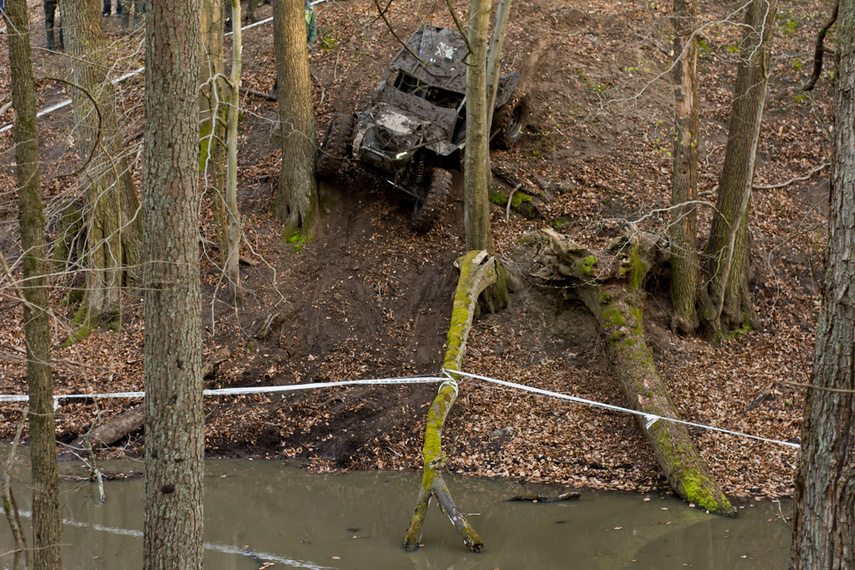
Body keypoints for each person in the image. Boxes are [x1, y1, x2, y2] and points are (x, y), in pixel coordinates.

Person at [269, 0, 317, 99]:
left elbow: (313, 27)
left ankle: (298, 91)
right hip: (290, 42)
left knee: (300, 68)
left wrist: (310, 43)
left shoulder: (309, 9)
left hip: (304, 43)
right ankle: (276, 88)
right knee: (285, 65)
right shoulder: (290, 7)